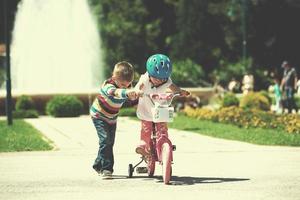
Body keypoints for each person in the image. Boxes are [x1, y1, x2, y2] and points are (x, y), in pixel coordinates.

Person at [134, 54, 190, 157]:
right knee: (146, 128)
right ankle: (143, 145)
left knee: (162, 128)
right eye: (157, 78)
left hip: (159, 109)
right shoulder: (145, 79)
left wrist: (180, 91)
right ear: (150, 74)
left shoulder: (166, 80)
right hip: (146, 109)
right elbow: (138, 86)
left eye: (163, 78)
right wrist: (137, 91)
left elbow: (173, 88)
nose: (160, 81)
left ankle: (164, 143)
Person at [90, 61, 137, 179]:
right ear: (114, 77)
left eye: (128, 85)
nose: (125, 87)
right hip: (99, 115)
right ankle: (107, 169)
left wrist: (137, 101)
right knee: (105, 140)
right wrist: (126, 92)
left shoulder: (127, 87)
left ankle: (97, 164)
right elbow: (116, 92)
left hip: (112, 118)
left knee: (109, 143)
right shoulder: (108, 85)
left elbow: (133, 100)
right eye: (122, 84)